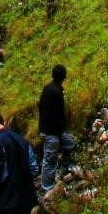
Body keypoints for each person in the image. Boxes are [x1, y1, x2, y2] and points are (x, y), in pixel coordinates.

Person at [38, 63, 73, 191]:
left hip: (51, 129)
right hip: (51, 131)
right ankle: (47, 188)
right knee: (50, 159)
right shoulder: (56, 92)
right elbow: (58, 113)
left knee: (69, 144)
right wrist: (61, 128)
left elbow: (40, 107)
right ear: (64, 77)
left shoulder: (48, 88)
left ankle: (64, 172)